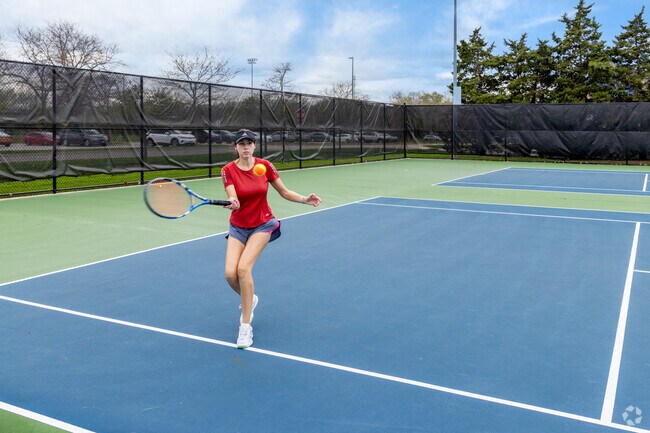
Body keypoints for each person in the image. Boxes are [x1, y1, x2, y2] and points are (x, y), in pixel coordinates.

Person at [221, 129, 321, 349]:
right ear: (235, 148)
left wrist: (305, 199)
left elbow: (284, 192)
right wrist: (233, 201)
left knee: (243, 270)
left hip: (262, 224)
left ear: (254, 146)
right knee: (230, 274)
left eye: (249, 143)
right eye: (241, 144)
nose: (246, 147)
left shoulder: (265, 166)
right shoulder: (228, 170)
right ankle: (250, 298)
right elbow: (232, 195)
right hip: (238, 226)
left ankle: (245, 326)